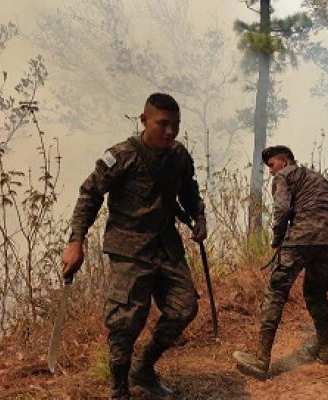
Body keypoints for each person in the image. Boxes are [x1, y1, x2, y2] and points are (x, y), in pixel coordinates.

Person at [60, 93, 207, 400]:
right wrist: (76, 241)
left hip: (166, 245)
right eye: (162, 124)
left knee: (184, 308)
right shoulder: (121, 155)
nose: (170, 132)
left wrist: (198, 217)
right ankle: (118, 390)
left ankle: (143, 369)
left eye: (175, 125)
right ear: (144, 121)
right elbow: (90, 195)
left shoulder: (179, 156)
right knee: (125, 321)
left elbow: (189, 190)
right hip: (129, 248)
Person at [233, 145, 328, 378]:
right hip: (325, 241)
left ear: (284, 162)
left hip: (299, 237)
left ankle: (261, 360)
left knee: (276, 293)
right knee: (316, 294)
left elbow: (282, 208)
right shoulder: (319, 179)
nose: (270, 171)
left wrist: (277, 239)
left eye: (271, 165)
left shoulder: (283, 176)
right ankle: (325, 350)